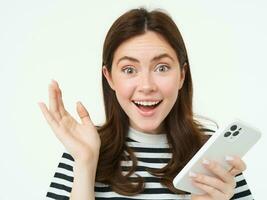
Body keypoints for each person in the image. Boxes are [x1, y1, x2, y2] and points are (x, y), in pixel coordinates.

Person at [39, 7, 253, 200]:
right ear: (109, 77)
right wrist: (86, 163)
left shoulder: (213, 158)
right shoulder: (83, 150)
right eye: (129, 70)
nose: (147, 86)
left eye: (161, 68)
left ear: (182, 75)